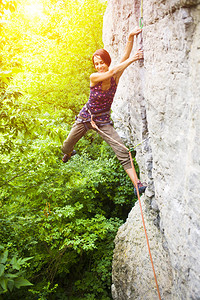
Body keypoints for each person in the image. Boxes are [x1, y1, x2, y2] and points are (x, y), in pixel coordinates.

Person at [62, 27, 147, 195]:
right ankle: (69, 153)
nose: (100, 66)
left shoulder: (114, 76)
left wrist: (130, 36)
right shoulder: (94, 77)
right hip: (87, 117)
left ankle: (137, 184)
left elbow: (121, 59)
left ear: (107, 61)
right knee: (66, 146)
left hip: (102, 121)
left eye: (102, 62)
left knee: (122, 151)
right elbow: (115, 69)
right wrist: (133, 59)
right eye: (97, 63)